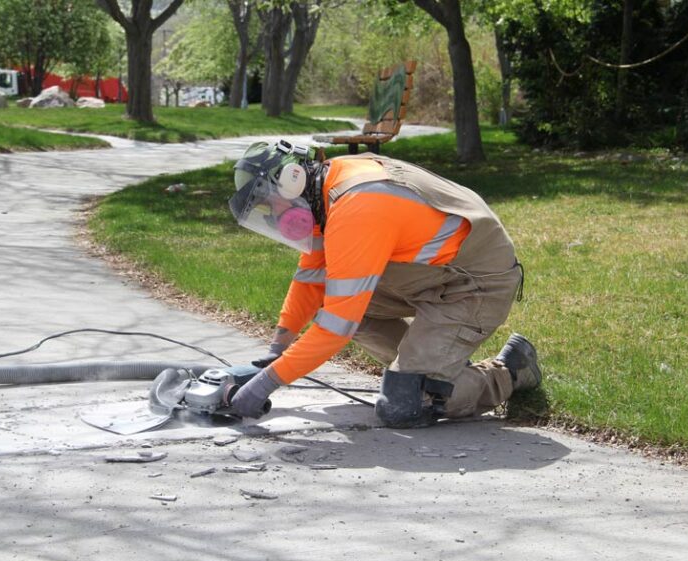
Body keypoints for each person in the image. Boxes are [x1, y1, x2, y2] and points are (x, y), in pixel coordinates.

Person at [227, 140, 541, 427]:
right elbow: (312, 280)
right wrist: (277, 351)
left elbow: (337, 329)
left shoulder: (357, 208)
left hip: (474, 287)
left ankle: (510, 370)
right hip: (434, 278)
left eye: (268, 206)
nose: (272, 220)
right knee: (336, 304)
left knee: (404, 406)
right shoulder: (326, 190)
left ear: (291, 180)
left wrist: (267, 382)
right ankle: (434, 370)